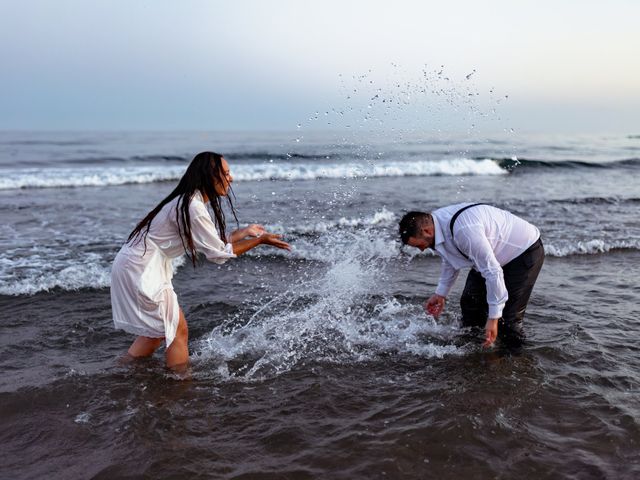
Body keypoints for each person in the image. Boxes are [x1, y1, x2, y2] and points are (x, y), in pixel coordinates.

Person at [110, 151, 290, 371]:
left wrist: (244, 233)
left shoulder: (189, 201)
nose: (231, 178)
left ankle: (120, 370)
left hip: (135, 264)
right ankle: (181, 384)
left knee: (158, 331)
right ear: (208, 175)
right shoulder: (192, 206)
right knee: (177, 330)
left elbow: (210, 244)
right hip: (142, 268)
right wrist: (260, 240)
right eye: (225, 173)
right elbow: (218, 255)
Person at [398, 203, 544, 348]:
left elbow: (493, 271)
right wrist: (441, 294)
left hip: (524, 251)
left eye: (419, 245)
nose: (422, 250)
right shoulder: (436, 224)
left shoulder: (464, 231)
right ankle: (476, 347)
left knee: (507, 319)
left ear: (427, 231)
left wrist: (493, 317)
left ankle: (517, 360)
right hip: (493, 254)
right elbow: (450, 256)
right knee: (470, 303)